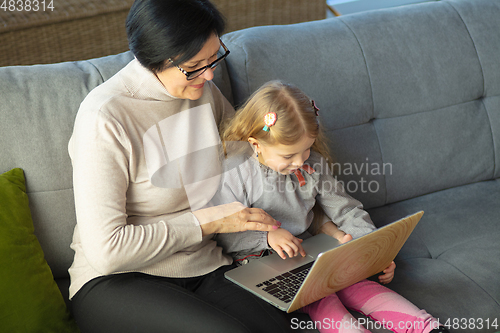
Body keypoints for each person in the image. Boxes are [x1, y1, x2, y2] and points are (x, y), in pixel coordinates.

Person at [67, 1, 293, 332]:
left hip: (204, 266)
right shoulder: (104, 117)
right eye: (194, 65)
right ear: (152, 59)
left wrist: (328, 223)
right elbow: (108, 251)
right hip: (118, 280)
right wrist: (207, 222)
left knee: (293, 321)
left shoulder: (204, 91)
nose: (210, 74)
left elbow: (252, 165)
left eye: (214, 57)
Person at [212, 80, 450, 333]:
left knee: (358, 284)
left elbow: (346, 210)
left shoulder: (312, 164)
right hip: (259, 261)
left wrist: (373, 250)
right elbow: (224, 234)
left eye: (305, 150)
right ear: (255, 143)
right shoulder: (234, 170)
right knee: (321, 298)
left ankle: (426, 328)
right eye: (288, 156)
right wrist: (268, 236)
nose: (298, 162)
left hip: (308, 250)